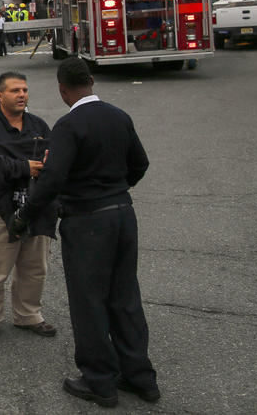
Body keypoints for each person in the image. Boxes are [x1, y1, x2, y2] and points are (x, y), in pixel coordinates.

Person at [11, 57, 158, 408]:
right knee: (125, 297)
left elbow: (52, 179)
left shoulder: (68, 125)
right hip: (123, 215)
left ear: (63, 90)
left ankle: (99, 380)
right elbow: (140, 163)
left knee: (89, 301)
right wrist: (116, 189)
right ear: (91, 80)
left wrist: (25, 215)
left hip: (87, 220)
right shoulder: (119, 116)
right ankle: (140, 376)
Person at [0, 72, 56, 343]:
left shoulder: (39, 125)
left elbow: (54, 160)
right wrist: (22, 167)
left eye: (25, 90)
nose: (22, 95)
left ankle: (28, 314)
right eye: (15, 90)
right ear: (0, 96)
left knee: (34, 266)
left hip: (34, 206)